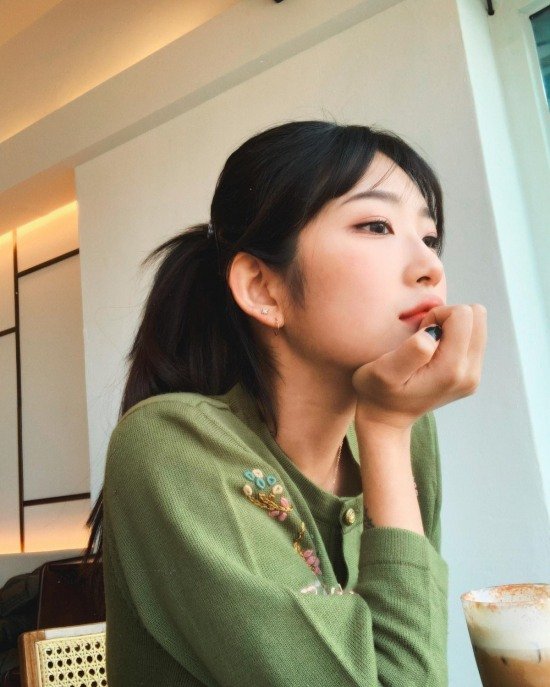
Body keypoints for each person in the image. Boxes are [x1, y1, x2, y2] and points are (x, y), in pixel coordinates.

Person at [83, 120, 487, 686]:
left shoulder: (402, 430)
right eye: (376, 225)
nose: (431, 267)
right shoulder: (170, 445)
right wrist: (389, 429)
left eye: (429, 238)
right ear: (263, 288)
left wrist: (389, 431)